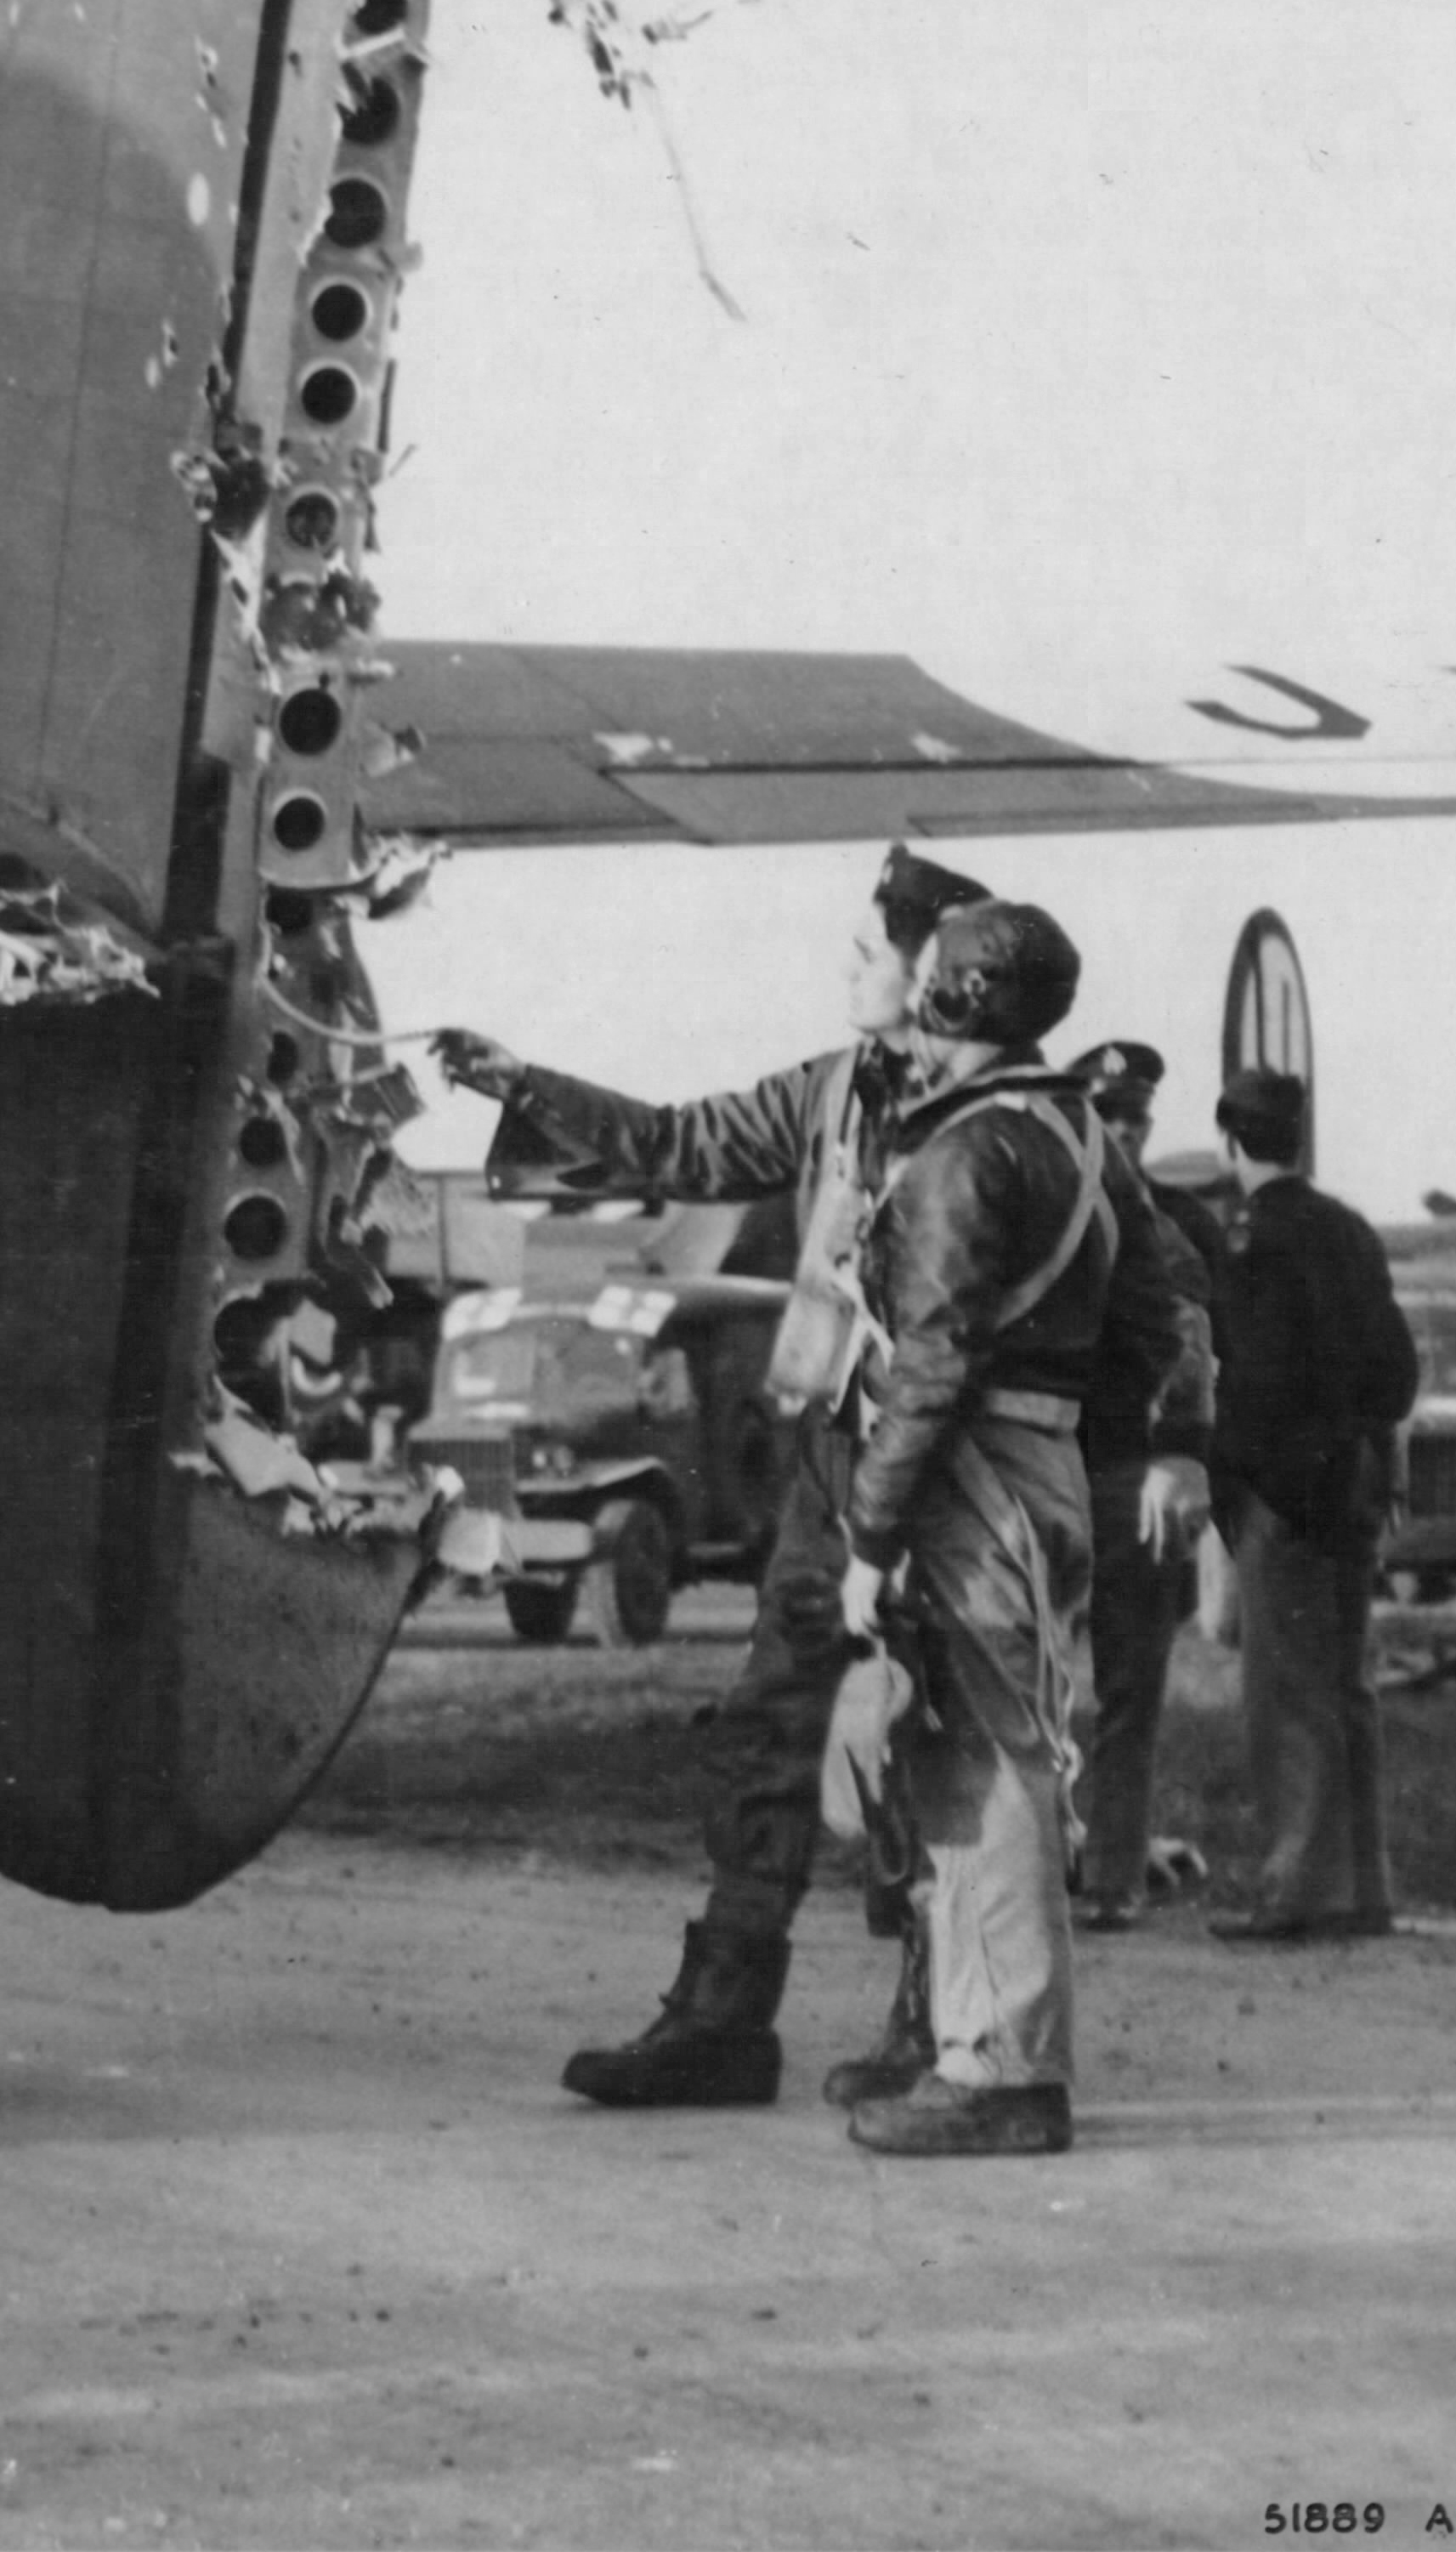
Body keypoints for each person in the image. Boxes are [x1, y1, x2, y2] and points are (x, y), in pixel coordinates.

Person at [431, 842, 990, 2109]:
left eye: (870, 949)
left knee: (934, 1745)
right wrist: (521, 1081)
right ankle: (724, 2016)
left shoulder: (1007, 1117)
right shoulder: (834, 1089)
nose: (850, 966)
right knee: (767, 1726)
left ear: (934, 970)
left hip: (952, 1476)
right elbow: (679, 1141)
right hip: (833, 1465)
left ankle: (939, 2019)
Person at [835, 900, 1187, 2158]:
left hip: (966, 1468)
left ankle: (997, 2070)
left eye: (931, 975)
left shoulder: (962, 1151)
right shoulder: (1084, 1138)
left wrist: (869, 1538)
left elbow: (928, 1359)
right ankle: (987, 2048)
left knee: (978, 1760)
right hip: (1042, 1463)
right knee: (1010, 1745)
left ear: (960, 1000)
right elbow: (1150, 1327)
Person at [1205, 1068, 1418, 1943]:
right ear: (1296, 1137)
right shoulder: (1350, 1231)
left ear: (1228, 1142)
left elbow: (1250, 1384)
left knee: (1287, 1694)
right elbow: (1397, 1369)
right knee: (1348, 1687)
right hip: (1352, 1486)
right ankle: (1363, 1888)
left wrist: (1243, 1480)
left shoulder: (1254, 1242)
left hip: (1284, 1495)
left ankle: (1294, 1890)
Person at [1063, 1041, 1222, 1930]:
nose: (1124, 1130)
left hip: (1134, 1474)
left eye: (1135, 1117)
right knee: (1026, 1686)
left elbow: (1197, 1351)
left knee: (1128, 1685)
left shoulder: (1173, 1226)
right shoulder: (1043, 1211)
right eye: (1107, 1114)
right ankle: (1044, 1860)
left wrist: (1183, 1454)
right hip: (1041, 1471)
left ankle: (1112, 1875)